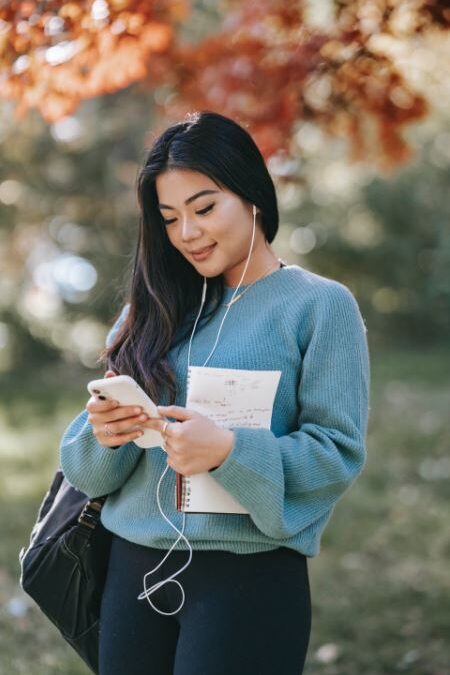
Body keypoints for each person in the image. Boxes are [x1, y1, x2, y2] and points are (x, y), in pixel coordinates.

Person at [59, 110, 370, 675]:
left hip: (248, 579)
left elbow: (336, 453)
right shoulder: (149, 311)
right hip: (131, 572)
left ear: (252, 194)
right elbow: (86, 474)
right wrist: (104, 437)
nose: (188, 234)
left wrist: (229, 453)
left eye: (204, 208)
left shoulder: (319, 306)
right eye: (170, 218)